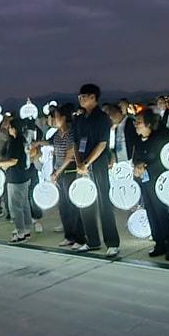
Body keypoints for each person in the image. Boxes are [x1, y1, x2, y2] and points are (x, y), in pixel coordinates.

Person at [63, 84, 120, 257]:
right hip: (82, 166)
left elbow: (102, 143)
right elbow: (75, 142)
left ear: (94, 97)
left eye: (84, 96)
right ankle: (92, 240)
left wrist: (87, 162)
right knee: (85, 201)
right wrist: (80, 163)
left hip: (98, 164)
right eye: (80, 96)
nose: (81, 99)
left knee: (103, 203)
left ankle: (112, 242)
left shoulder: (102, 118)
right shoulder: (79, 119)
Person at [132, 110, 169, 260]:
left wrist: (145, 166)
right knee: (151, 213)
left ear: (148, 124)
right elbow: (135, 158)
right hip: (145, 182)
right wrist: (137, 165)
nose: (136, 125)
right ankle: (159, 243)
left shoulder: (160, 138)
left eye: (139, 122)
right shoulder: (138, 140)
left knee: (162, 213)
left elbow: (163, 160)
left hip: (159, 182)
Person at [45, 104, 86, 249]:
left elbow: (70, 156)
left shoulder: (71, 133)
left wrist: (58, 171)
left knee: (73, 205)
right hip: (59, 172)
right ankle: (69, 236)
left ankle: (80, 238)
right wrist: (54, 171)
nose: (53, 119)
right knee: (63, 206)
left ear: (63, 118)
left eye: (55, 116)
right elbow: (56, 154)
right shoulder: (56, 135)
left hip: (69, 172)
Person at [0, 117, 35, 243]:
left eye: (9, 127)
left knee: (15, 207)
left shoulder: (15, 142)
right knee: (24, 204)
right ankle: (26, 229)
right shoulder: (22, 140)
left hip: (16, 177)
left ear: (13, 128)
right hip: (23, 176)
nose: (7, 129)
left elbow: (13, 161)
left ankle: (21, 233)